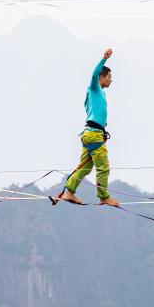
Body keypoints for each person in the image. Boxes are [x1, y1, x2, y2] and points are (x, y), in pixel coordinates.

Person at [53, 47, 119, 206]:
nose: (111, 79)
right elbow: (93, 75)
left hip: (91, 133)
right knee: (103, 167)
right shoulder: (94, 87)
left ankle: (68, 192)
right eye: (109, 76)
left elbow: (96, 113)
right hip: (94, 134)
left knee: (84, 167)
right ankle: (103, 196)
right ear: (101, 77)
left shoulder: (101, 93)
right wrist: (104, 59)